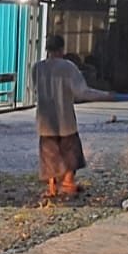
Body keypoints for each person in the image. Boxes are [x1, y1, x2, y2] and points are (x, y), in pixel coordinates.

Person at [32, 34, 111, 198]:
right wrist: (105, 95)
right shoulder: (68, 67)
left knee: (49, 154)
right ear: (62, 49)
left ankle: (52, 187)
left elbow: (35, 90)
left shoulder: (37, 68)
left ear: (47, 49)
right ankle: (68, 182)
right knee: (70, 152)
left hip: (45, 120)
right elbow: (82, 92)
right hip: (65, 119)